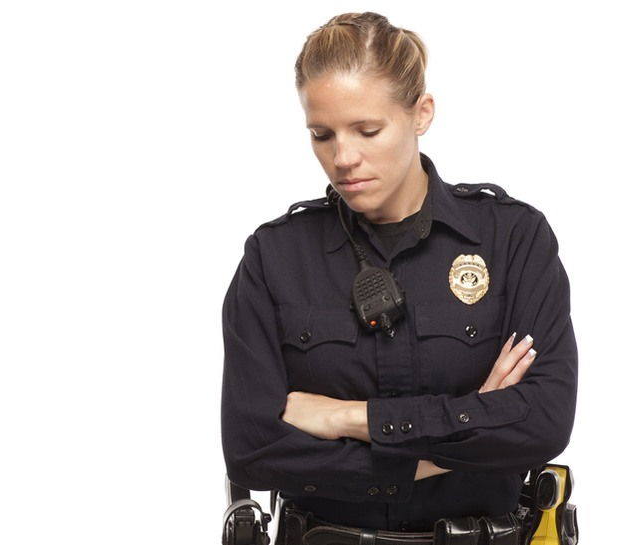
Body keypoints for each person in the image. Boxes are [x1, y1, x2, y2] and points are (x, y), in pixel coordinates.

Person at [220, 11, 577, 543]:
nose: (343, 158)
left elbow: (543, 421)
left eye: (368, 130)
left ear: (421, 114)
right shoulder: (274, 256)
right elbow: (252, 450)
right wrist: (467, 424)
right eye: (321, 134)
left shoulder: (513, 239)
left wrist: (348, 418)